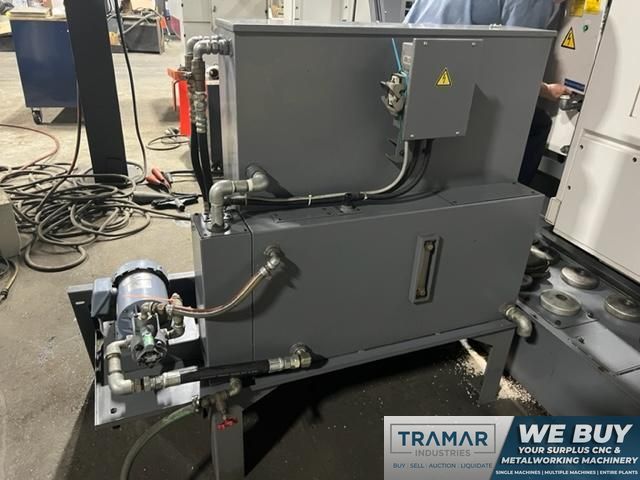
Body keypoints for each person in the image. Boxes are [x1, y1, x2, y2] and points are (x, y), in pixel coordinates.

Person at [404, 0, 570, 186]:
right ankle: (506, 190)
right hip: (446, 74)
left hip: (407, 61)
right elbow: (517, 61)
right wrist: (546, 90)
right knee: (538, 124)